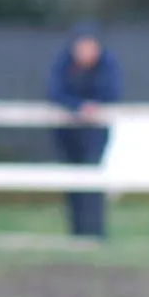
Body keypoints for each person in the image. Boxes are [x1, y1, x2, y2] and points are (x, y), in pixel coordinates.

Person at [47, 24, 121, 239]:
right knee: (73, 183)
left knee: (93, 180)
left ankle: (95, 233)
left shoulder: (107, 64)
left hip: (95, 132)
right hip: (67, 133)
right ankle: (77, 233)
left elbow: (112, 92)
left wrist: (93, 107)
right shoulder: (63, 64)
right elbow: (54, 92)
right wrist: (78, 106)